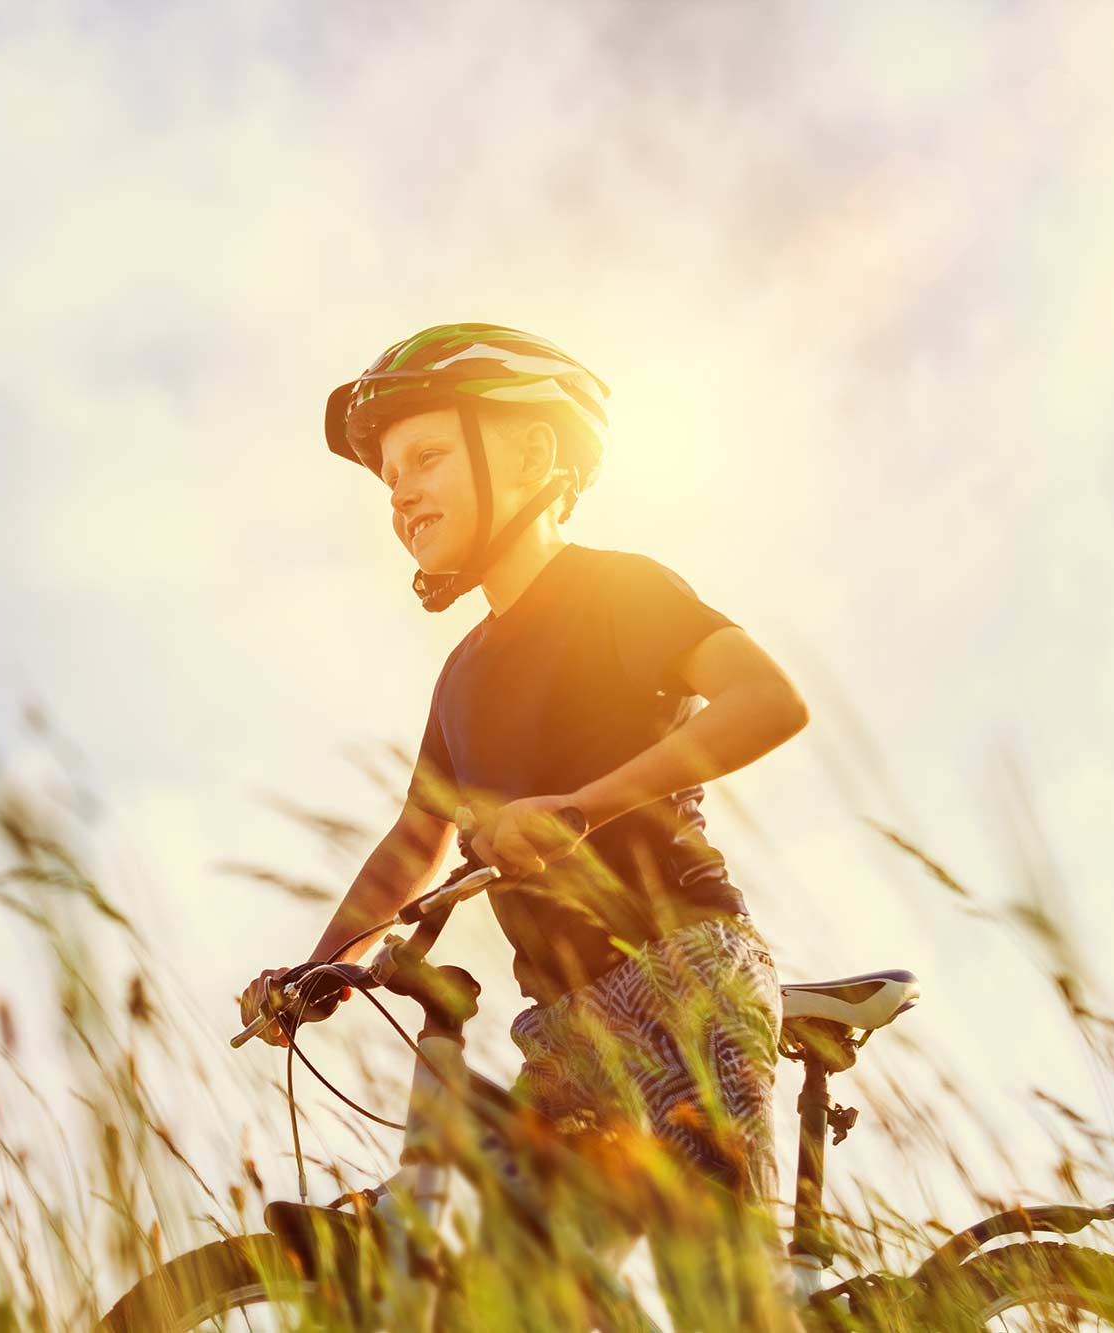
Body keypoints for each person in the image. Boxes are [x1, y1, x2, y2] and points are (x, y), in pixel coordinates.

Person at [238, 322, 809, 1327]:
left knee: (720, 1300)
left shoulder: (615, 590)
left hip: (683, 969)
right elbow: (412, 839)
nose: (400, 492)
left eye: (425, 457)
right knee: (511, 1305)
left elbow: (766, 700)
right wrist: (320, 965)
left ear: (532, 454)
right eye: (385, 481)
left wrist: (581, 810)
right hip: (564, 1026)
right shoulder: (460, 676)